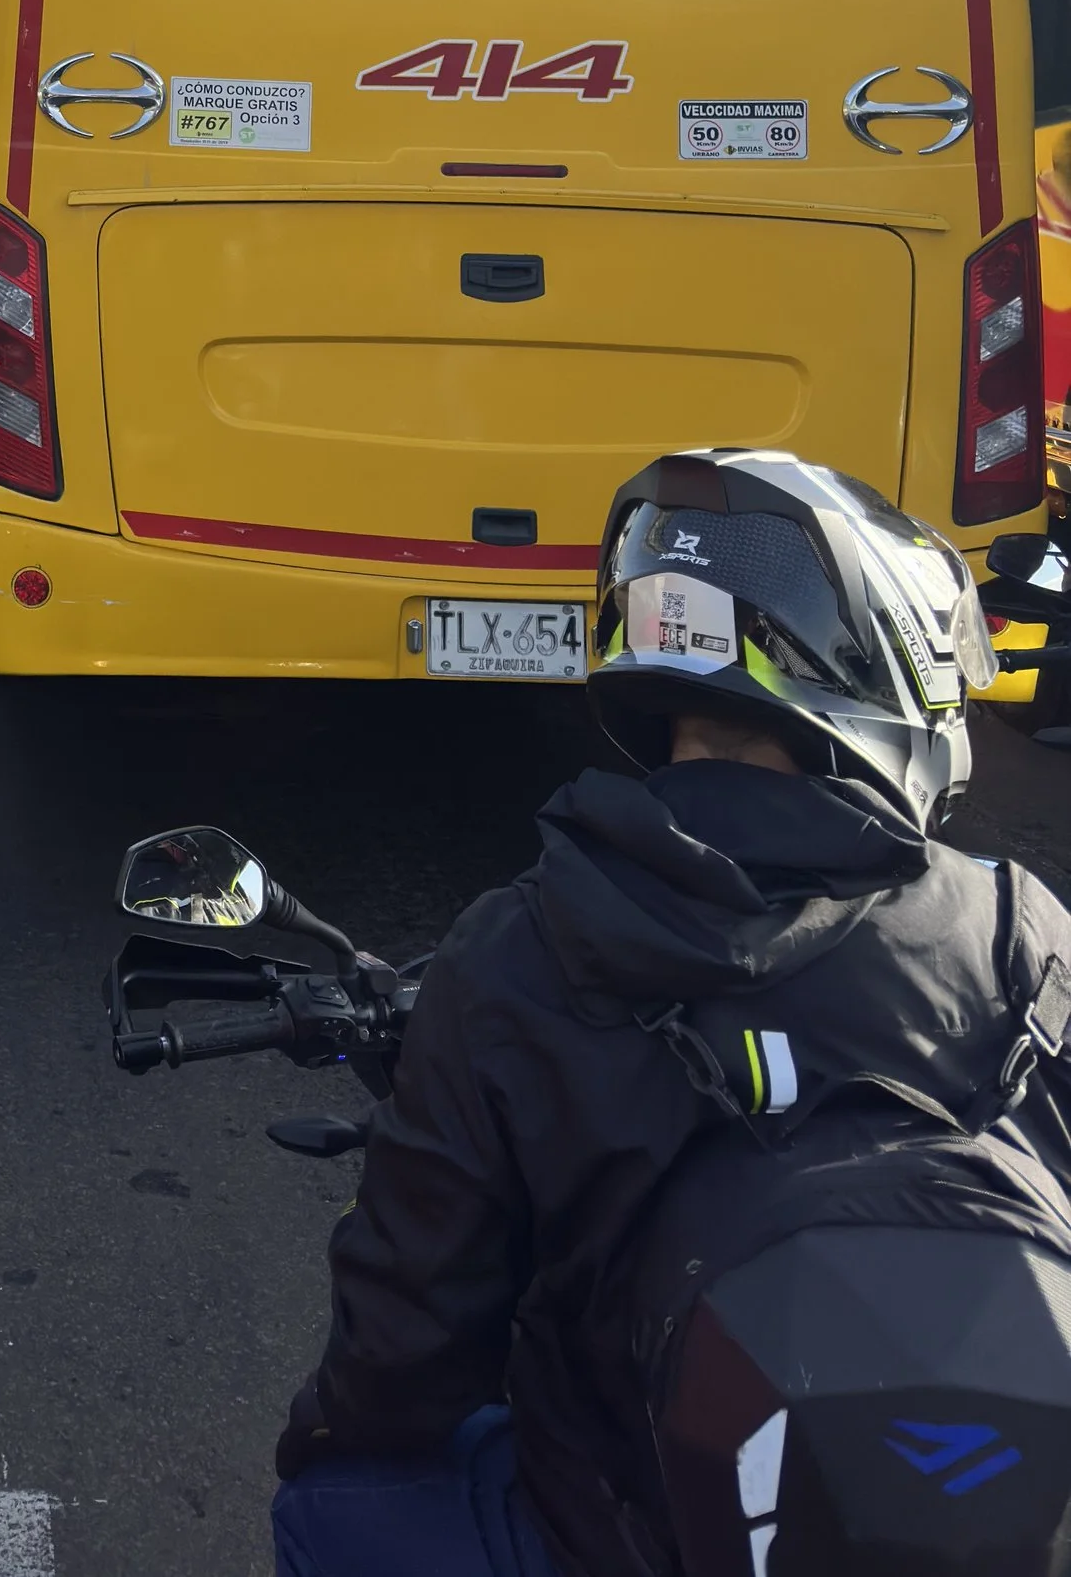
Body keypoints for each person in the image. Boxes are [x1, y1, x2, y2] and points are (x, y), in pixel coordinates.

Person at [270, 445, 1071, 1577]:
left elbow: (403, 1356)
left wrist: (316, 1435)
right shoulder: (1015, 927)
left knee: (330, 1506)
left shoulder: (519, 949)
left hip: (627, 1525)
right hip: (1013, 1513)